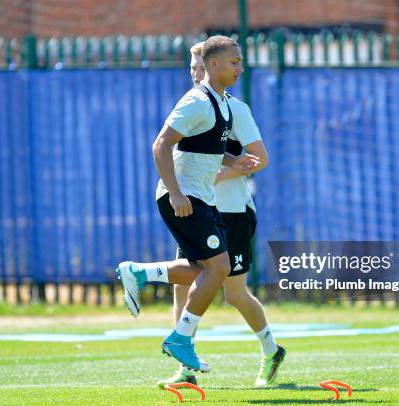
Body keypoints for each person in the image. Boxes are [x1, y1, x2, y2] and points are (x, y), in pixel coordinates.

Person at [115, 36, 260, 373]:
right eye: (234, 62)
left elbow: (203, 144)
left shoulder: (221, 102)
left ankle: (138, 272)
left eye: (240, 61)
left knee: (205, 271)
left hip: (201, 198)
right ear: (213, 65)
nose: (241, 67)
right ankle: (180, 338)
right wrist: (177, 193)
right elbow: (161, 145)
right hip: (183, 198)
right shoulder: (196, 101)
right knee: (219, 269)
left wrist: (232, 160)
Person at [156, 42, 285, 388]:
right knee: (185, 287)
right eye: (192, 69)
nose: (196, 75)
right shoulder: (195, 105)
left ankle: (271, 350)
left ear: (212, 66)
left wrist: (222, 172)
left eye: (200, 68)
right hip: (199, 209)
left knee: (234, 294)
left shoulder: (234, 108)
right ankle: (186, 368)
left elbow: (261, 158)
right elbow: (168, 149)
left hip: (232, 212)